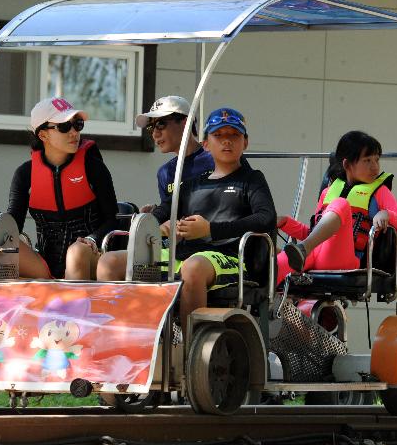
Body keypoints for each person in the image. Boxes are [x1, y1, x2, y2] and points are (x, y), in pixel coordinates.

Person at [98, 107, 276, 329]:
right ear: (206, 144)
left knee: (192, 268)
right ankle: (121, 339)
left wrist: (210, 230)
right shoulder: (192, 185)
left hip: (229, 258)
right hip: (184, 255)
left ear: (245, 143)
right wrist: (156, 225)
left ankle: (187, 349)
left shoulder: (252, 179)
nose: (226, 141)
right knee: (109, 261)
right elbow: (166, 208)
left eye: (234, 135)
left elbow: (266, 218)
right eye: (218, 135)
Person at [0, 97, 118, 280]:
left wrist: (92, 239)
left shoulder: (94, 167)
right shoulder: (25, 174)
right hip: (45, 264)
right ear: (43, 135)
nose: (73, 133)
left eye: (77, 124)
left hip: (88, 257)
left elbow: (112, 219)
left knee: (75, 252)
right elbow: (14, 226)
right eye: (64, 126)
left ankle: (72, 305)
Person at [277, 130, 397, 281]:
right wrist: (285, 222)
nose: (375, 167)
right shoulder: (328, 192)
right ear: (347, 164)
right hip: (315, 255)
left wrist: (387, 214)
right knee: (274, 268)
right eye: (367, 160)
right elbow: (314, 233)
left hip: (349, 261)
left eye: (376, 160)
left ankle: (303, 249)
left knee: (341, 204)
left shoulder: (380, 192)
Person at [135, 96, 214, 213]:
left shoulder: (218, 157)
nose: (155, 134)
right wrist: (157, 213)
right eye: (151, 127)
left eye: (160, 124)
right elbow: (171, 216)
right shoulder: (165, 173)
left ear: (186, 123)